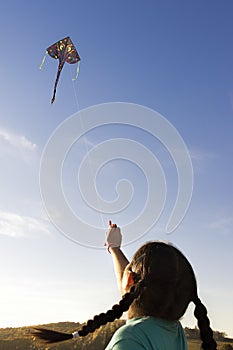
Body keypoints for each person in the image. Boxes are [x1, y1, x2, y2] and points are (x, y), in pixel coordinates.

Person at [32, 221, 217, 350]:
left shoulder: (130, 338)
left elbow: (135, 287)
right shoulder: (172, 331)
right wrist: (114, 248)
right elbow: (139, 285)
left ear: (130, 281)